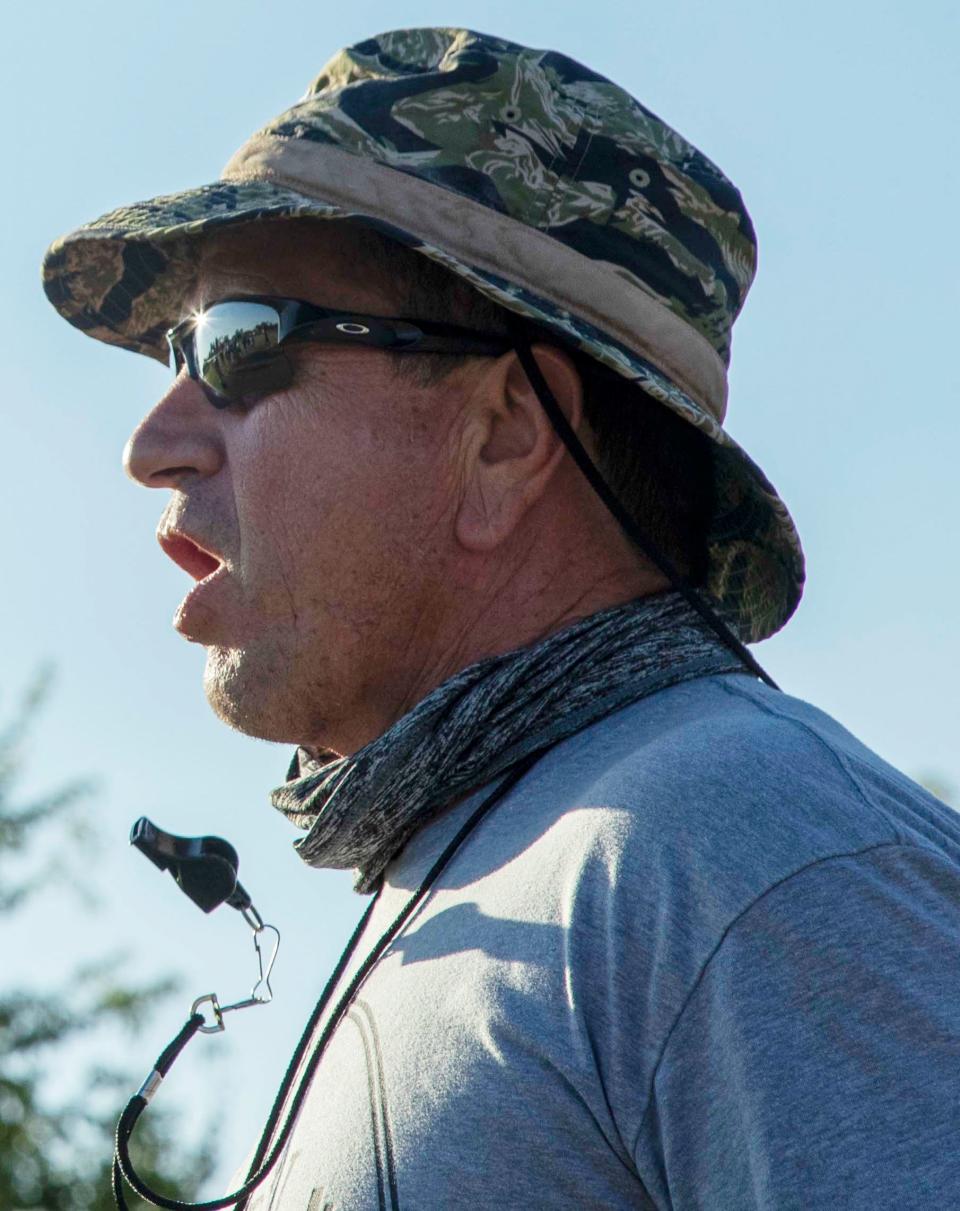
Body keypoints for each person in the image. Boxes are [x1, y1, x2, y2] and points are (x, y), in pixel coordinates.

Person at [43, 27, 960, 1211]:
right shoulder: (536, 865)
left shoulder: (743, 851)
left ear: (507, 433)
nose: (152, 444)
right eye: (180, 350)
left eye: (241, 343)